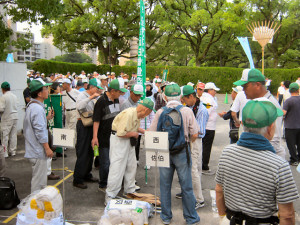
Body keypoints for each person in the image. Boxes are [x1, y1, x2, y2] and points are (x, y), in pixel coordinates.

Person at [215, 100, 299, 225]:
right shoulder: (279, 165)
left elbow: (219, 190)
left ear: (243, 124)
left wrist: (222, 217)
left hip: (232, 220)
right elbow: (287, 215)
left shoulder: (227, 152)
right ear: (270, 128)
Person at [149, 83, 200, 225]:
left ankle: (166, 217)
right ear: (181, 97)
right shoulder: (186, 111)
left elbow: (152, 133)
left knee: (165, 186)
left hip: (164, 152)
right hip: (182, 151)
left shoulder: (160, 112)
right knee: (186, 185)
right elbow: (195, 133)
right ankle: (191, 217)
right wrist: (188, 140)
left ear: (165, 97)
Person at [105, 98, 154, 205]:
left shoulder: (136, 113)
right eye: (149, 112)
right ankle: (110, 195)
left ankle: (130, 189)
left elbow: (134, 127)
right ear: (145, 110)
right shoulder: (129, 114)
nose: (147, 115)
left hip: (128, 141)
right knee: (117, 167)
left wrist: (144, 131)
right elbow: (120, 133)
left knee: (131, 165)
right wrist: (133, 134)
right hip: (119, 141)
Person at [233, 68, 286, 159]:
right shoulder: (256, 102)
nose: (243, 90)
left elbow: (274, 139)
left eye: (245, 86)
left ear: (257, 85)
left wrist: (256, 159)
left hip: (266, 160)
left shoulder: (271, 105)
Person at [92, 78, 126, 191]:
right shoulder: (101, 101)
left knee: (114, 162)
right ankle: (103, 184)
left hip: (114, 137)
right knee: (105, 163)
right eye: (119, 92)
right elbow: (96, 120)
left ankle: (111, 183)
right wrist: (95, 137)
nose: (120, 94)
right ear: (112, 91)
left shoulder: (116, 100)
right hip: (103, 138)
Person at [180, 85, 208, 209]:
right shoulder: (190, 106)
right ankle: (189, 192)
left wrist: (190, 133)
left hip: (195, 141)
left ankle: (199, 199)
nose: (184, 102)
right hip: (190, 139)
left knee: (194, 170)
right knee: (191, 168)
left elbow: (200, 131)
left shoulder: (201, 110)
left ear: (191, 96)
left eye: (185, 99)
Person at [23, 78, 54, 192]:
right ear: (40, 93)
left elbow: (35, 125)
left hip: (33, 150)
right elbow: (40, 131)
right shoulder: (37, 108)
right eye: (46, 88)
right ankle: (35, 207)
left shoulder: (32, 106)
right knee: (39, 185)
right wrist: (47, 148)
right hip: (38, 151)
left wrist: (46, 118)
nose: (48, 90)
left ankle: (36, 206)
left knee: (39, 182)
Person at [73, 78, 102, 189]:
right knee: (83, 152)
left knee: (90, 151)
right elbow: (79, 107)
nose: (98, 91)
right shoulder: (82, 95)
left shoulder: (95, 97)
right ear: (91, 88)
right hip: (83, 125)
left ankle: (87, 174)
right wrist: (91, 97)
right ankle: (78, 179)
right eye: (97, 88)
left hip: (91, 125)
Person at [200, 82, 220, 175]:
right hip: (209, 127)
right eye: (214, 90)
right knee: (206, 147)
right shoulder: (208, 99)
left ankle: (202, 165)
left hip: (205, 126)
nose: (215, 92)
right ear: (210, 90)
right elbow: (206, 113)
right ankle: (204, 166)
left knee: (203, 147)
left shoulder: (204, 97)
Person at [282, 83, 300, 166]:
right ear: (298, 90)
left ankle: (294, 159)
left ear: (290, 90)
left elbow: (284, 113)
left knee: (291, 144)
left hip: (290, 126)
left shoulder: (288, 101)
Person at [0, 82, 19, 157]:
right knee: (13, 135)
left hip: (7, 118)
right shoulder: (14, 96)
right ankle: (13, 151)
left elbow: (1, 109)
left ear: (3, 89)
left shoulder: (3, 97)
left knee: (5, 135)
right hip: (15, 117)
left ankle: (5, 153)